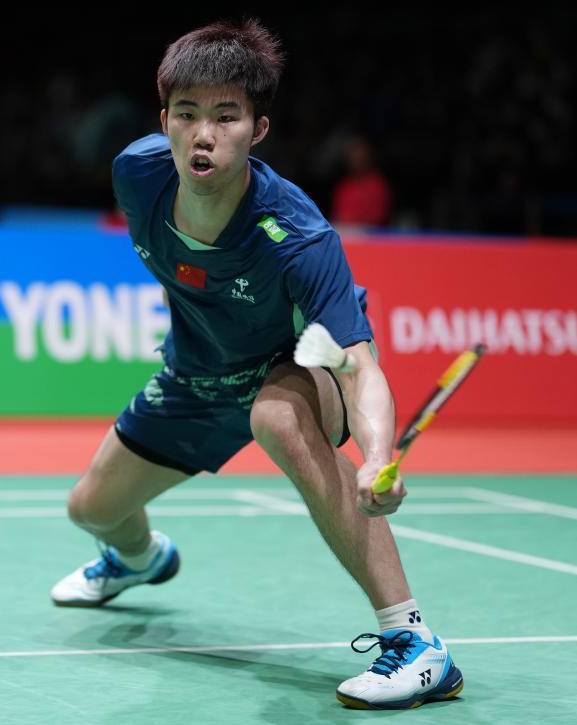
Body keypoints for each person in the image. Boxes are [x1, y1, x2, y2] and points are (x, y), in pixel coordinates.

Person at [50, 18, 463, 711]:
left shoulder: (295, 234)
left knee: (277, 416)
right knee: (89, 508)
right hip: (197, 376)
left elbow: (359, 365)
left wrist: (375, 456)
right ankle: (140, 560)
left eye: (226, 117)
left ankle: (416, 642)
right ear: (164, 121)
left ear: (258, 129)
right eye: (187, 114)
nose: (203, 134)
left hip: (291, 369)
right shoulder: (137, 175)